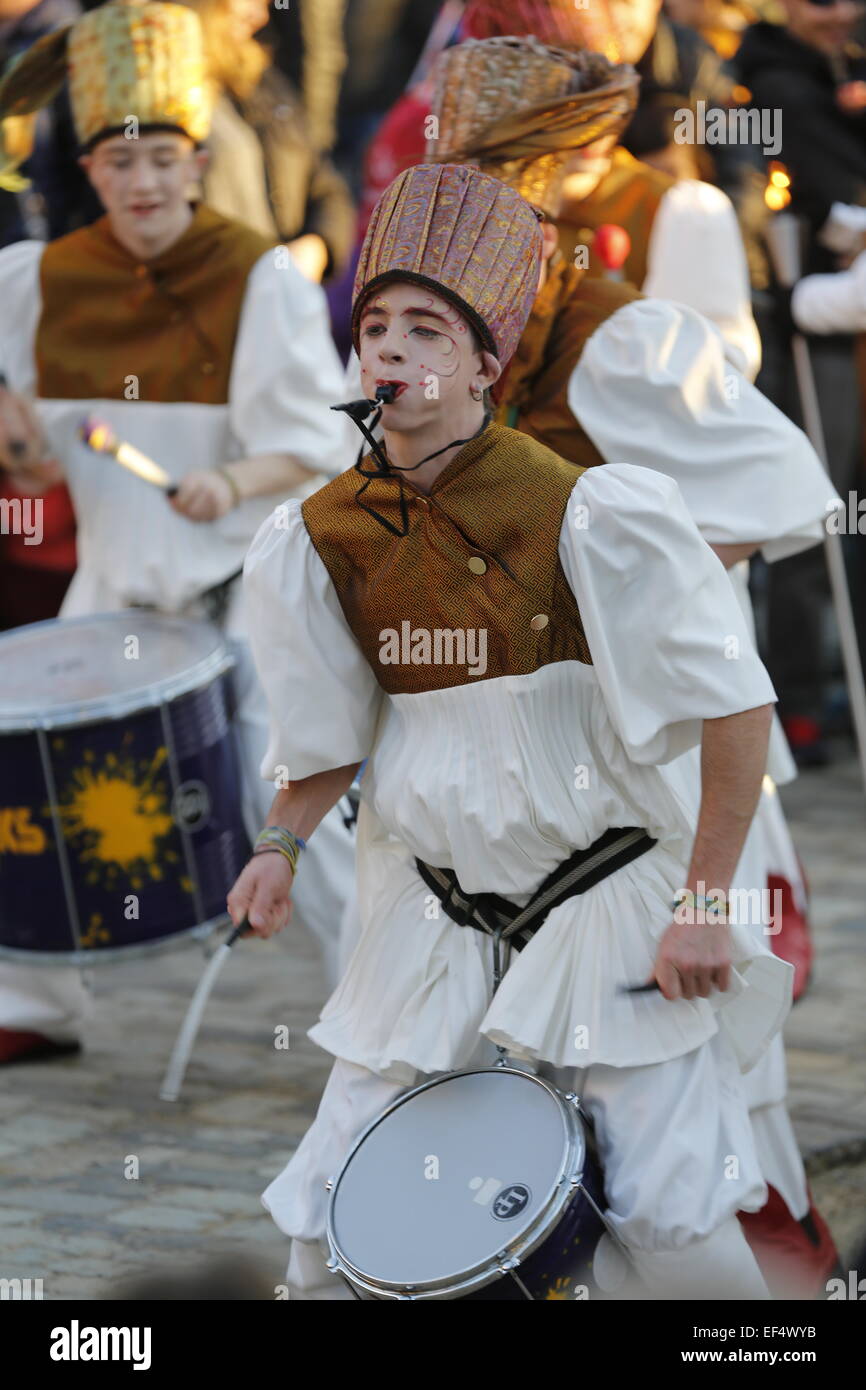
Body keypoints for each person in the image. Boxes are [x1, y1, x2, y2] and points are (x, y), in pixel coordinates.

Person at [231, 160, 795, 1301]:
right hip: (425, 919)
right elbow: (328, 734)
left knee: (668, 1223)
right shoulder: (315, 536)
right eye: (374, 326)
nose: (390, 349)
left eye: (426, 329)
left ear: (485, 363)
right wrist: (279, 845)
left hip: (611, 911)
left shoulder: (594, 511)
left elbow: (737, 705)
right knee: (335, 1223)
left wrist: (699, 905)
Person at [424, 33, 840, 1297]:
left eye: (498, 173)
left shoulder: (617, 335)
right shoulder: (438, 324)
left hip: (646, 741)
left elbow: (786, 489)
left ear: (556, 174)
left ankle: (753, 1283)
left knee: (678, 1046)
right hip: (512, 751)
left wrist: (622, 584)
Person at [0, 0, 353, 1064]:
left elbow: (325, 442)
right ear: (91, 170)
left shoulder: (260, 277)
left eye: (163, 156)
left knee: (297, 806)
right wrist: (18, 437)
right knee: (31, 784)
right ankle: (33, 999)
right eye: (120, 160)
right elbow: (29, 439)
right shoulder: (38, 282)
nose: (144, 180)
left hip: (238, 593)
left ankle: (378, 1011)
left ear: (198, 161)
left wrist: (231, 477)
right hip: (109, 585)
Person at [737, 0, 866, 765]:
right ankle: (801, 696)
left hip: (835, 320)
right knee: (815, 507)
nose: (841, 14)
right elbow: (836, 208)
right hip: (810, 336)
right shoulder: (775, 84)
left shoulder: (842, 68)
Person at [185, 0, 356, 285]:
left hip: (280, 299)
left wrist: (317, 246)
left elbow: (327, 187)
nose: (261, 16)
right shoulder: (154, 94)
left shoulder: (263, 81)